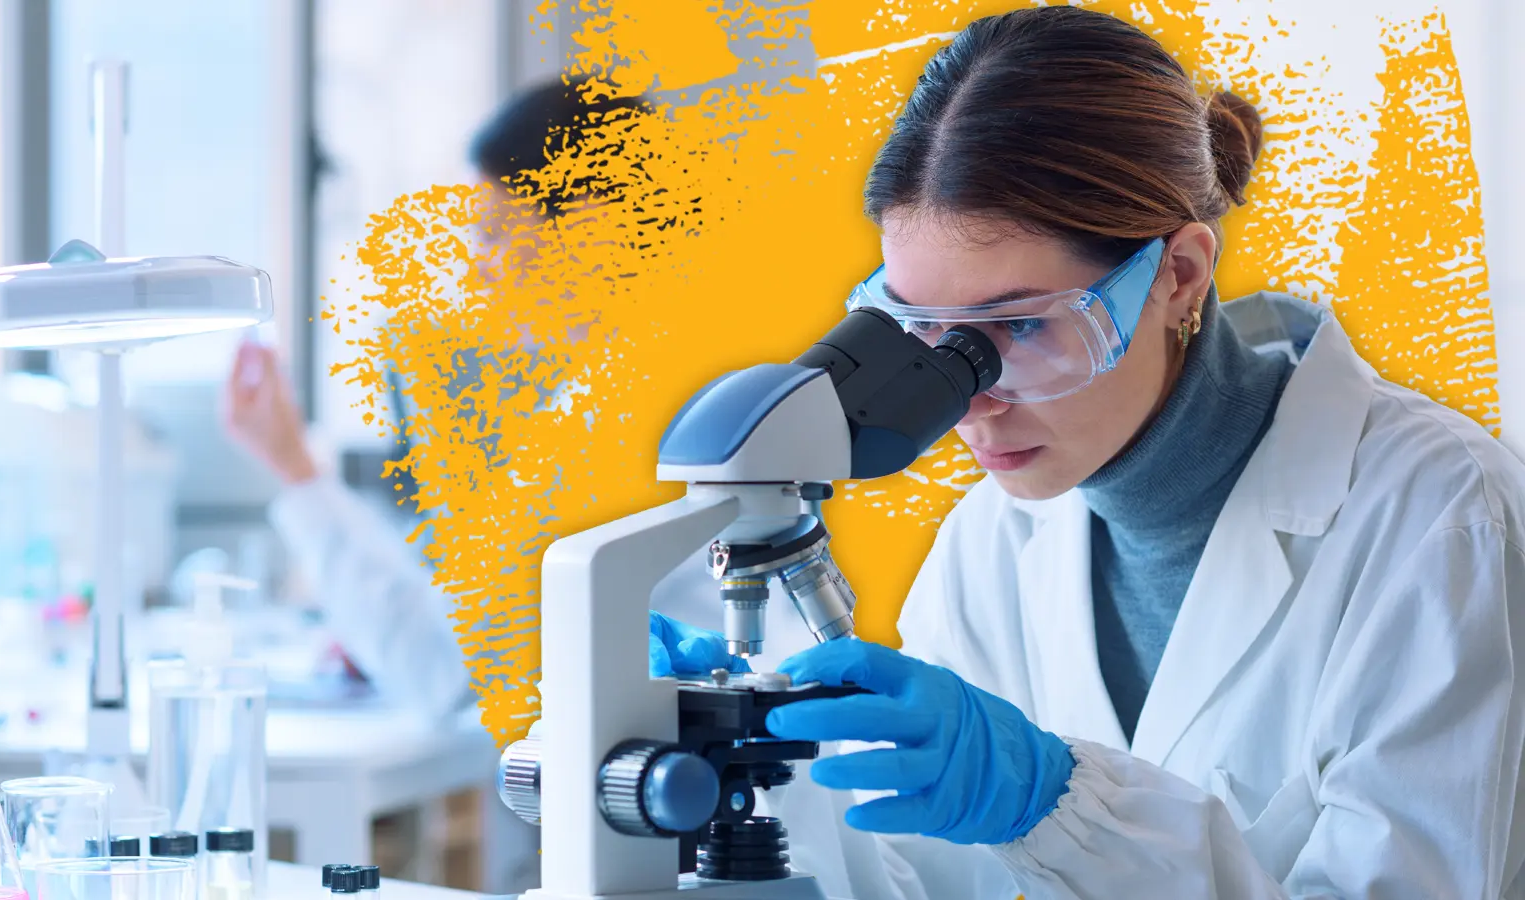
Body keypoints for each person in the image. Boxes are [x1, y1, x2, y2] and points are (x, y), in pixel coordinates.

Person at [646, 7, 1525, 897]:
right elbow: (919, 880)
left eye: (1019, 326)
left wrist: (1055, 805)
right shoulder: (992, 541)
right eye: (922, 337)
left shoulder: (1439, 517)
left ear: (1178, 273)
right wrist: (765, 762)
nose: (967, 403)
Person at [222, 77, 809, 718]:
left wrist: (297, 473)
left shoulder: (615, 419)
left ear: (592, 225)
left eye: (497, 232)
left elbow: (438, 669)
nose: (479, 267)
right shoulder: (706, 381)